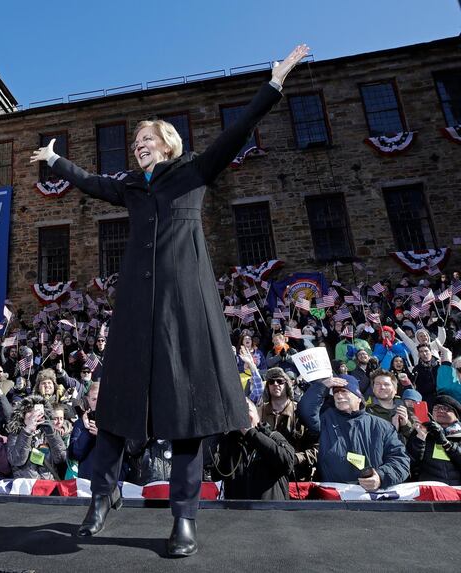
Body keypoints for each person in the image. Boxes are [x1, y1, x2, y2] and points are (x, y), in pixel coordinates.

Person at [31, 44, 310, 557]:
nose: (137, 145)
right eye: (134, 140)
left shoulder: (194, 172)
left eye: (146, 138)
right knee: (116, 404)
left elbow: (238, 130)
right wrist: (55, 161)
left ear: (167, 143)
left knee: (188, 415)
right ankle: (103, 495)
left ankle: (184, 518)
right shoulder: (132, 189)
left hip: (186, 306)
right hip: (136, 307)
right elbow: (91, 183)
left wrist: (274, 83)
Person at [297, 374, 409, 490]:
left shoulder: (382, 426)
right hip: (333, 498)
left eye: (344, 391)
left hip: (370, 499)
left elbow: (400, 460)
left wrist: (380, 477)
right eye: (335, 392)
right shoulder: (325, 420)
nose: (339, 396)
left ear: (359, 397)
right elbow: (305, 411)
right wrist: (322, 386)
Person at [212, 398, 295, 500]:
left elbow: (287, 462)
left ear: (257, 415)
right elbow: (215, 474)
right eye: (238, 411)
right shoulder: (229, 442)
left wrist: (251, 433)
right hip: (237, 512)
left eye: (247, 409)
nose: (243, 415)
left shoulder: (273, 436)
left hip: (271, 512)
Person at [258, 368, 318, 481]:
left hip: (295, 475)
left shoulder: (301, 411)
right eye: (271, 382)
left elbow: (316, 448)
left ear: (287, 385)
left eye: (280, 381)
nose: (275, 384)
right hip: (264, 475)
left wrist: (295, 458)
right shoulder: (258, 412)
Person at [6, 395, 67, 479]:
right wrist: (27, 431)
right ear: (22, 415)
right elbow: (17, 460)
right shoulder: (15, 434)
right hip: (27, 488)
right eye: (29, 411)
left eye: (36, 411)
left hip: (49, 487)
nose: (33, 415)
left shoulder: (49, 432)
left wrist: (51, 434)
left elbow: (61, 458)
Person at [406, 394, 461, 485]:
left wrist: (446, 443)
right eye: (436, 408)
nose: (440, 411)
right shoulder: (420, 431)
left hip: (456, 489)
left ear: (456, 414)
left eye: (445, 408)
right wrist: (421, 438)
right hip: (428, 488)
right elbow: (410, 463)